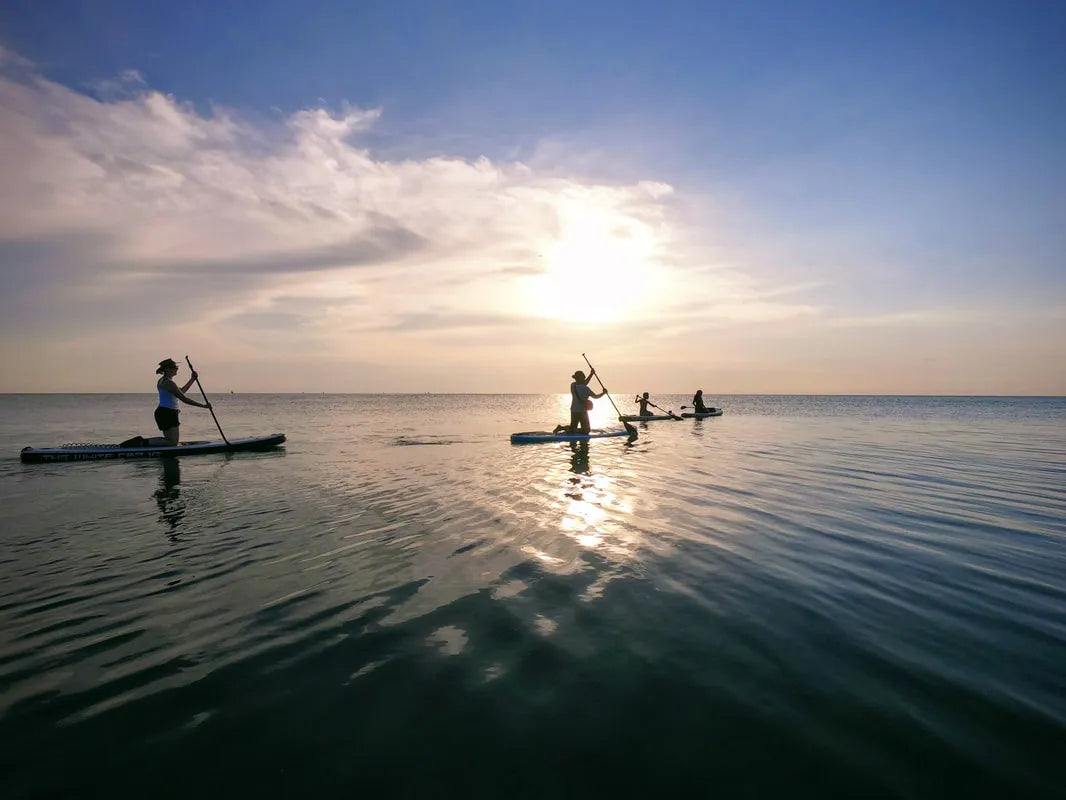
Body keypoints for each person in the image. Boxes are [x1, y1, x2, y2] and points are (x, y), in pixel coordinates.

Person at [145, 358, 212, 446]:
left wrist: (192, 379)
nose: (176, 369)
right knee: (172, 442)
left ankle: (143, 443)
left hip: (164, 412)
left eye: (176, 367)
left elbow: (181, 391)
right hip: (167, 413)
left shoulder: (162, 381)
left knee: (170, 440)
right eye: (174, 367)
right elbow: (184, 399)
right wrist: (203, 406)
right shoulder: (168, 383)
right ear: (167, 369)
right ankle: (142, 443)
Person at [553, 369, 606, 434]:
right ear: (582, 378)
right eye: (583, 378)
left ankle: (562, 428)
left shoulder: (573, 385)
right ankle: (568, 430)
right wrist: (603, 393)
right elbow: (595, 396)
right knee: (586, 430)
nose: (584, 379)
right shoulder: (586, 389)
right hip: (582, 411)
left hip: (573, 410)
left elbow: (583, 383)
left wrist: (591, 374)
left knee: (573, 427)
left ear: (576, 379)